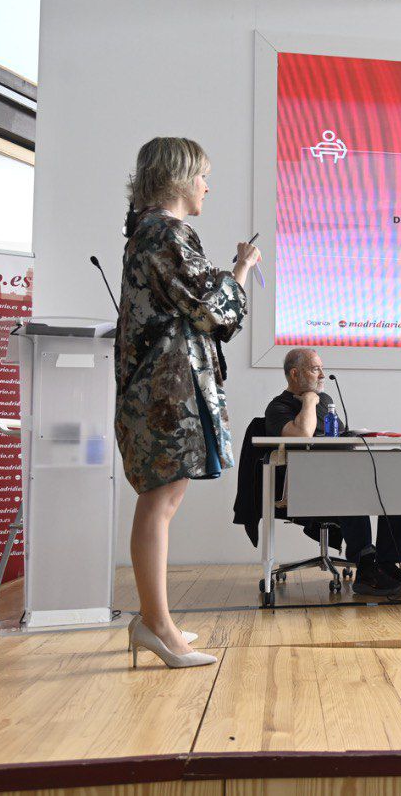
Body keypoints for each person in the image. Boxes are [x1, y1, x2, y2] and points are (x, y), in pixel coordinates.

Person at [115, 137, 261, 668]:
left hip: (159, 391)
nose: (208, 185)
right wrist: (241, 270)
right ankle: (156, 627)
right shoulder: (165, 232)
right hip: (163, 394)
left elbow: (195, 307)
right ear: (178, 177)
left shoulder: (149, 232)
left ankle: (158, 621)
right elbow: (215, 312)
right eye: (202, 174)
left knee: (162, 503)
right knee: (160, 504)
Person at [264, 347, 401, 597]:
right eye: (315, 369)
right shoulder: (278, 407)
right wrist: (310, 400)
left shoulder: (326, 402)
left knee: (390, 489)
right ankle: (366, 569)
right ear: (294, 374)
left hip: (340, 477)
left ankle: (388, 564)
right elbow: (302, 435)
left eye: (322, 368)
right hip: (304, 489)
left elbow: (341, 442)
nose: (322, 374)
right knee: (350, 491)